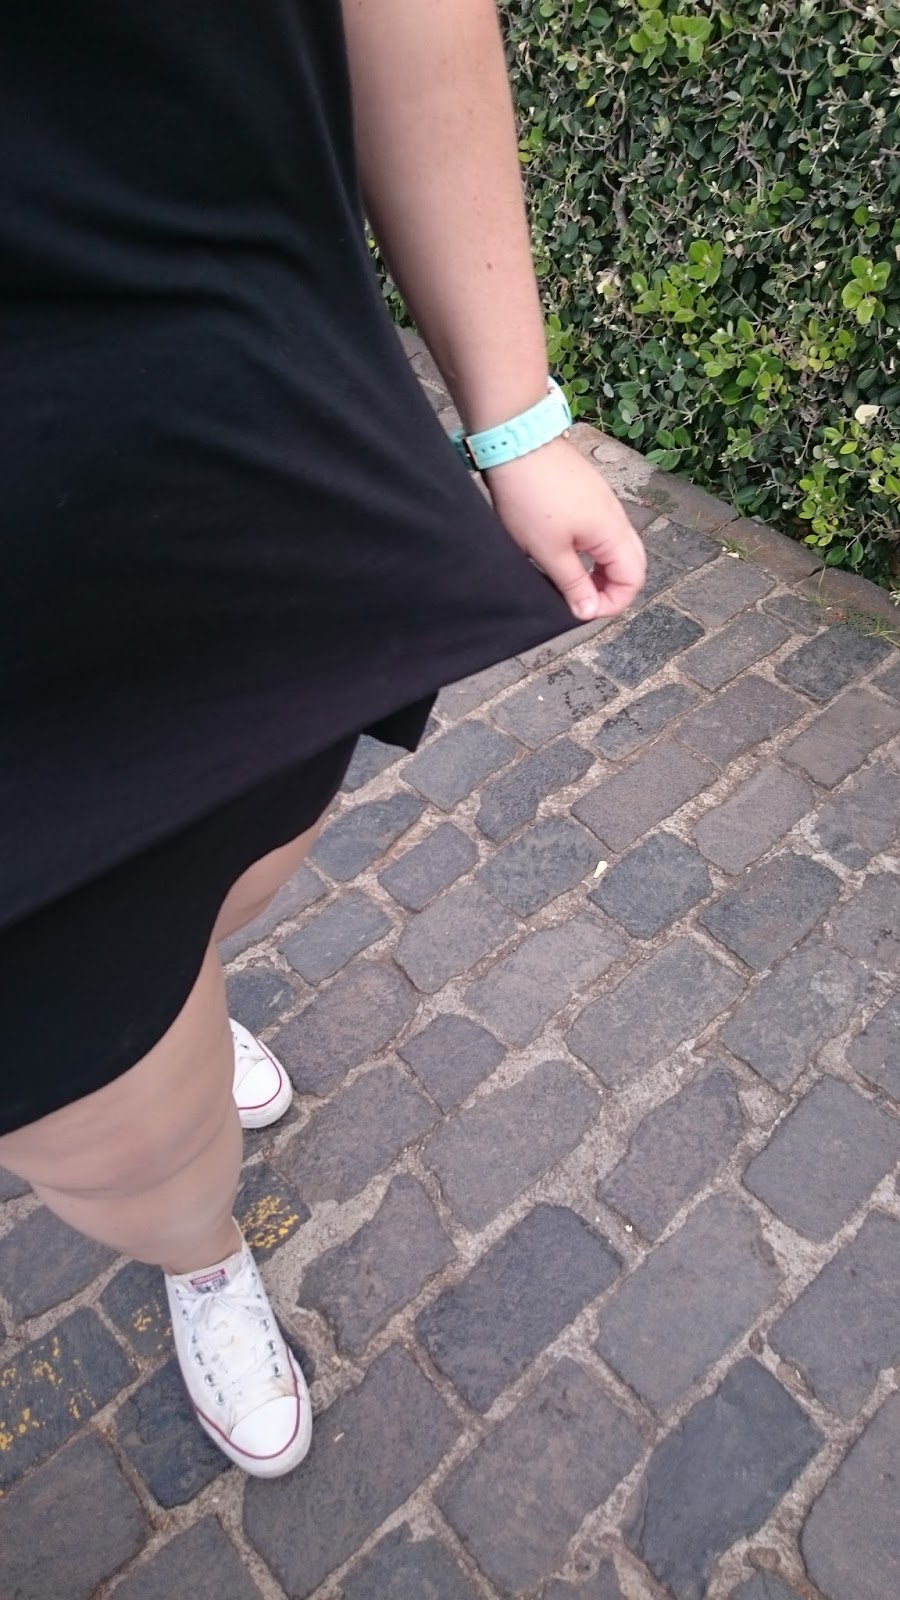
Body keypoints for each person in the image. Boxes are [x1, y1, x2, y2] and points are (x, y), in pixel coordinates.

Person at [0, 0, 645, 1478]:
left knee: (227, 861)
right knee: (102, 1116)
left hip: (226, 443)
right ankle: (201, 1247)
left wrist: (517, 422)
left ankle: (178, 987)